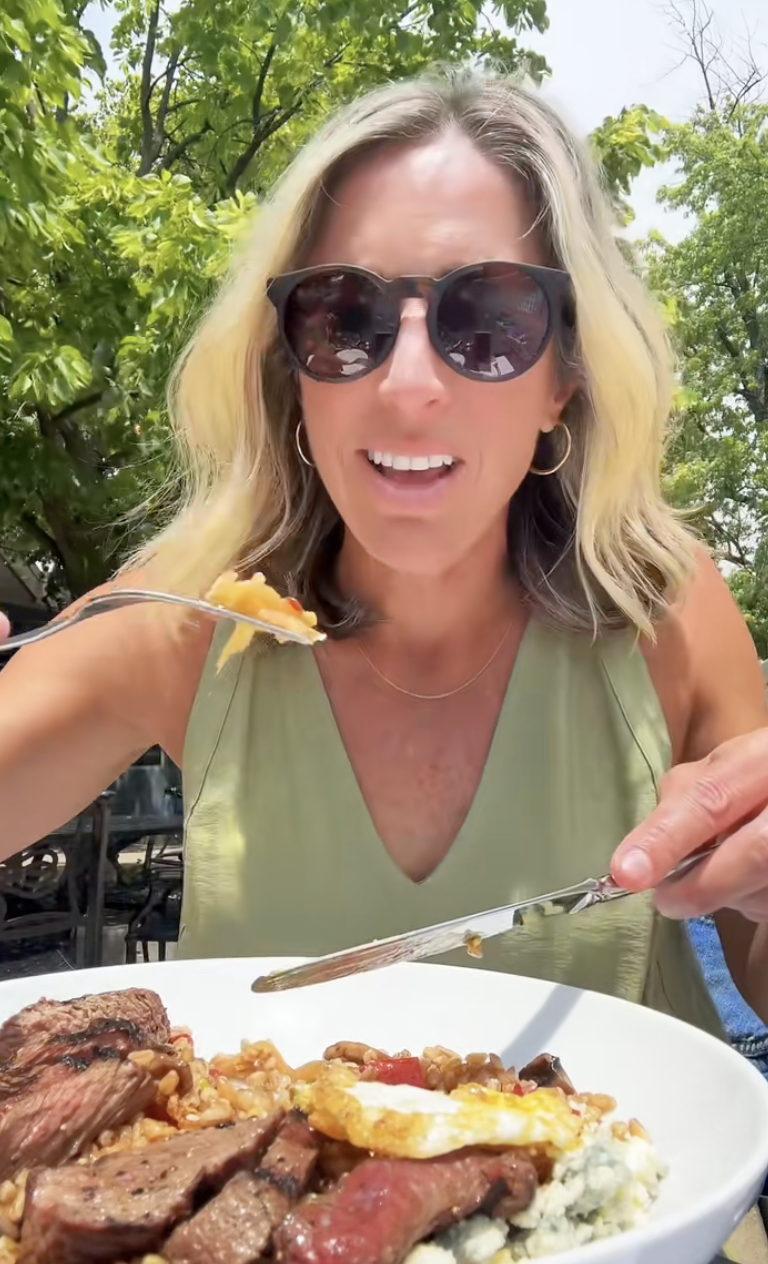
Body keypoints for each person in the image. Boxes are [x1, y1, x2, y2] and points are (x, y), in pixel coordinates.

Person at [2, 70, 768, 1038]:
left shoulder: (664, 609)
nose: (408, 385)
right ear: (292, 374)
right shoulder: (185, 620)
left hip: (642, 1186)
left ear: (564, 378)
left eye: (488, 322)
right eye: (343, 317)